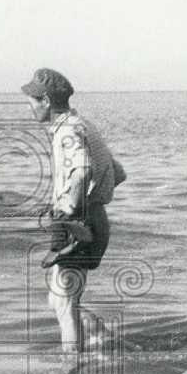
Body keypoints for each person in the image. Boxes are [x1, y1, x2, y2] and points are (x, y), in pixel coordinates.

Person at [21, 68, 126, 353]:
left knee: (65, 302)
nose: (29, 105)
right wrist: (89, 200)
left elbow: (82, 171)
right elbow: (118, 172)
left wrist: (68, 207)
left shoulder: (66, 131)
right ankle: (101, 338)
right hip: (93, 219)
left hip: (78, 224)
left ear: (44, 100)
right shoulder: (83, 124)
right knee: (58, 300)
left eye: (31, 99)